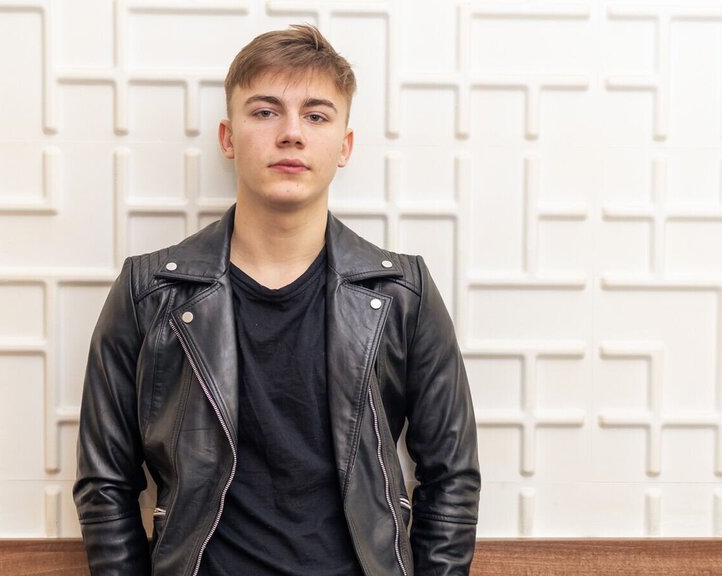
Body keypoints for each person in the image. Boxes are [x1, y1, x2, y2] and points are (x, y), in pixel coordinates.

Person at [73, 24, 480, 576]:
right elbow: (105, 483)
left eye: (316, 115)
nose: (291, 133)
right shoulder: (149, 293)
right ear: (227, 138)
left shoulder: (401, 293)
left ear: (345, 146)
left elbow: (452, 477)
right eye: (265, 112)